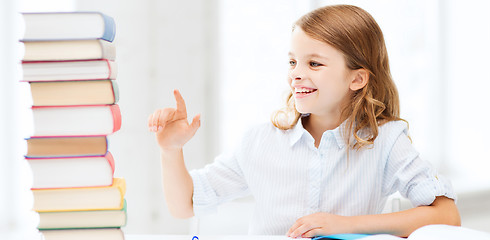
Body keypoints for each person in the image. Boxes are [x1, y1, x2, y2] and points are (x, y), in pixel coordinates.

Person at [147, 4, 460, 238]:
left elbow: (447, 215)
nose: (296, 72)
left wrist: (347, 226)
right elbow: (184, 205)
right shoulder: (261, 141)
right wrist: (170, 151)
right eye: (293, 61)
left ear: (357, 78)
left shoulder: (386, 141)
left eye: (314, 63)